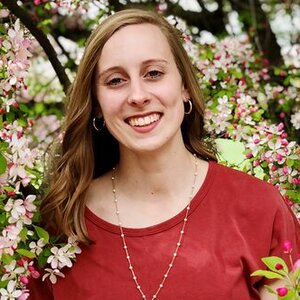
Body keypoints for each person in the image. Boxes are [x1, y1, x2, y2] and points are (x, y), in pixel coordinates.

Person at [29, 8, 300, 300]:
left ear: (185, 86)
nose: (138, 96)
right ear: (96, 103)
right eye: (116, 81)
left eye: (154, 73)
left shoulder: (258, 208)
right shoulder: (59, 226)